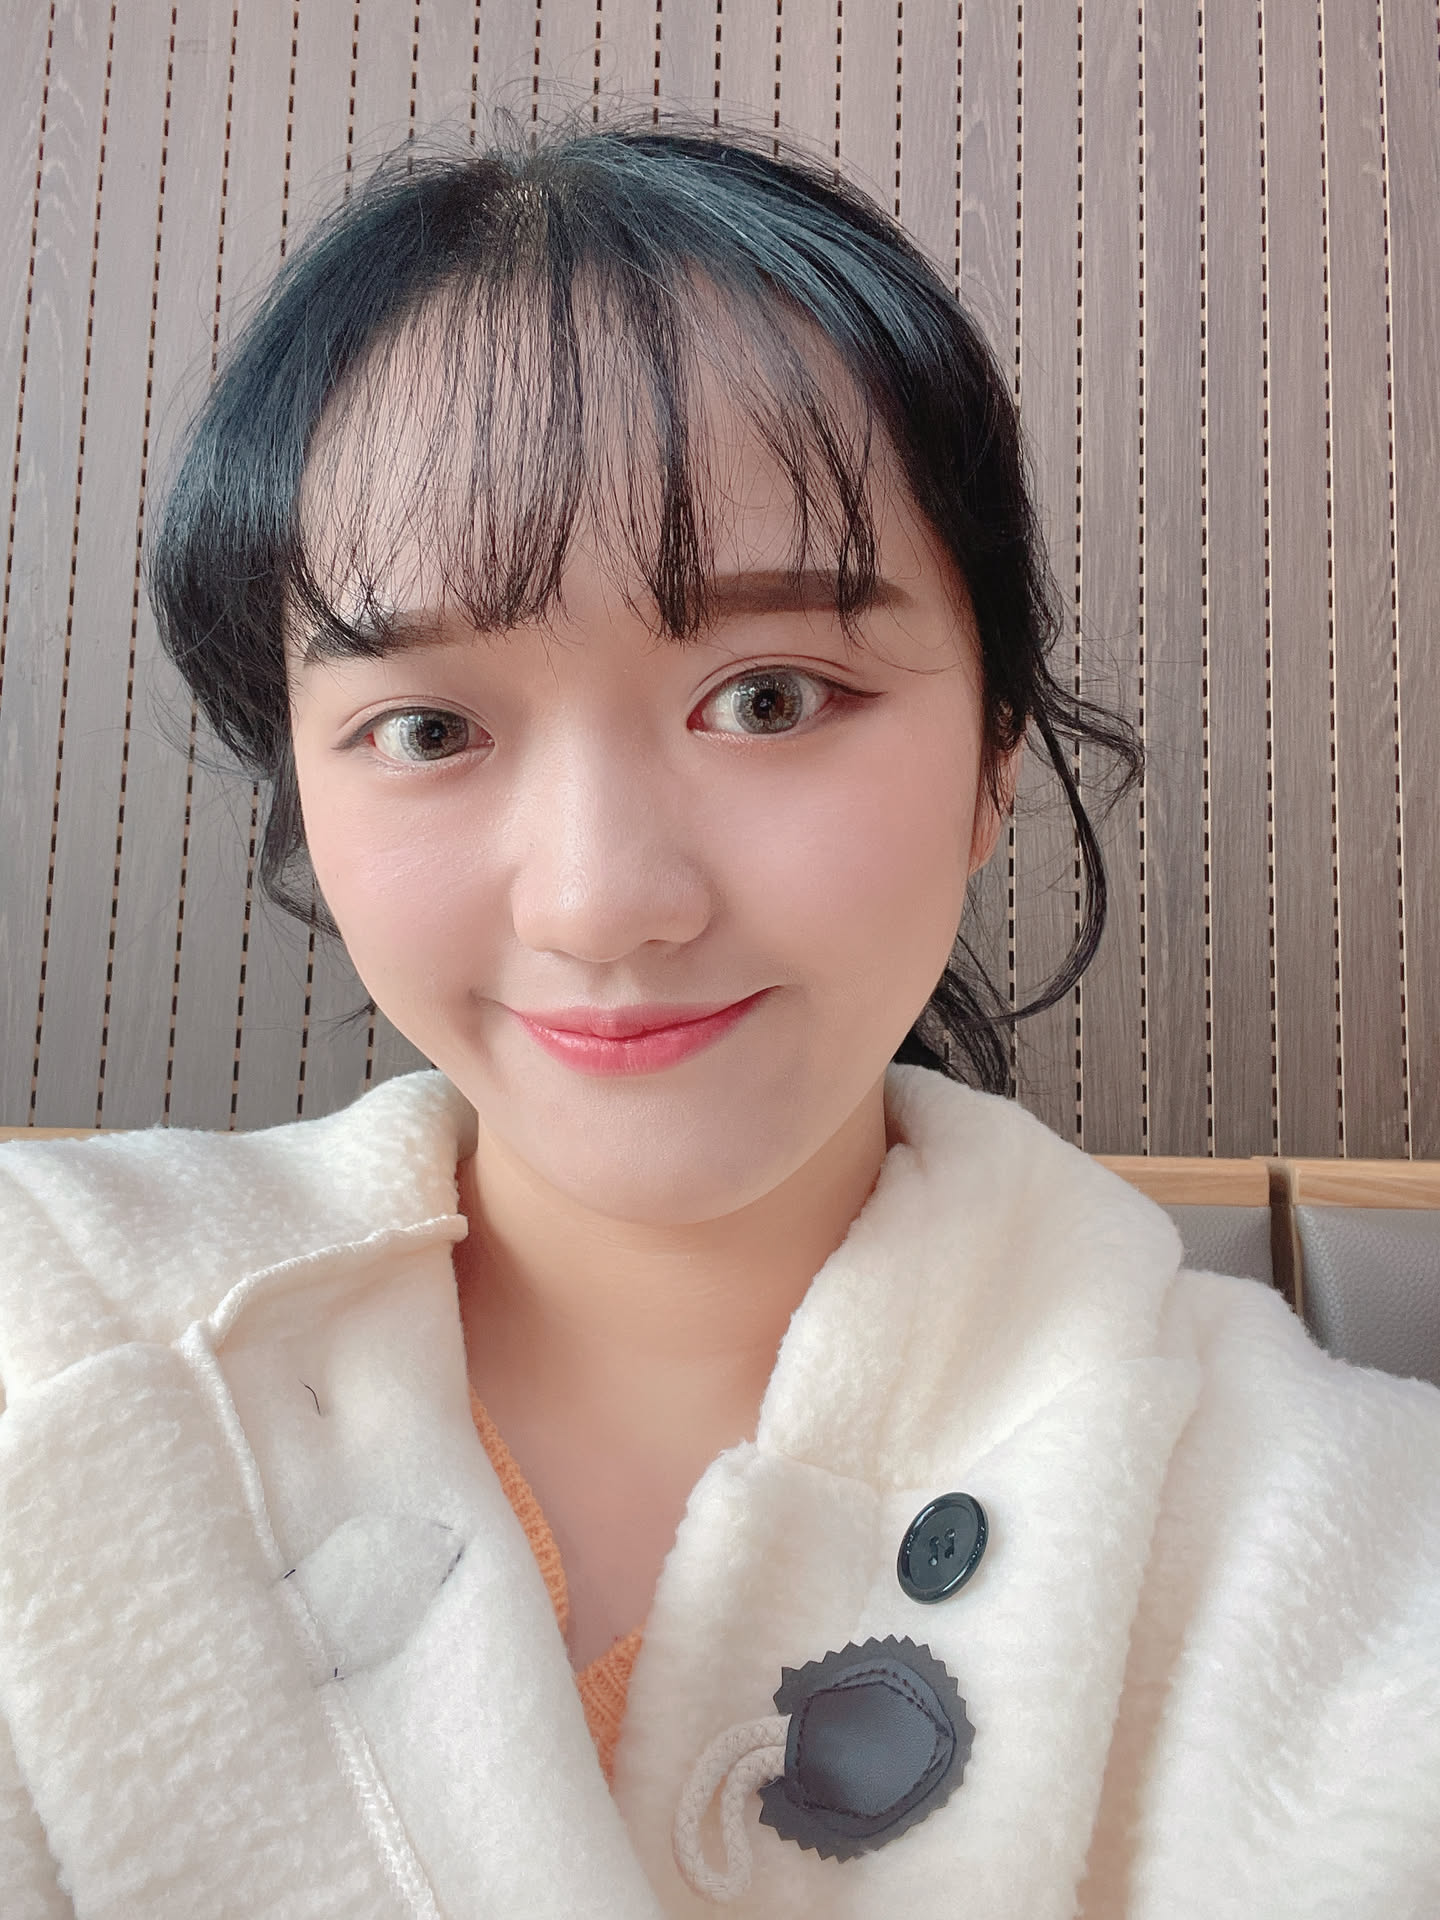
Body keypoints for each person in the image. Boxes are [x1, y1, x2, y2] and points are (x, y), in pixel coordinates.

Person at [0, 122, 1436, 1920]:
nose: (602, 901)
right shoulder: (53, 1338)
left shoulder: (1339, 1536)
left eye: (769, 697)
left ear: (997, 753)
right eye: (430, 731)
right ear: (304, 792)